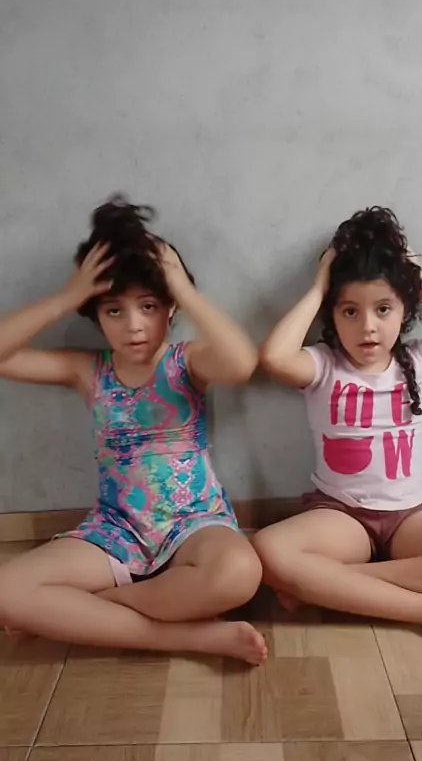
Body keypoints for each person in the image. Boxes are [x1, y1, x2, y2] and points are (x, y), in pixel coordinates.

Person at [0, 196, 266, 664]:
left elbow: (242, 363)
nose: (134, 326)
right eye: (114, 311)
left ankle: (88, 610)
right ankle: (191, 638)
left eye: (148, 306)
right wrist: (67, 296)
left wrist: (182, 288)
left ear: (169, 308)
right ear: (96, 314)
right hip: (116, 530)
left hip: (195, 524)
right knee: (7, 591)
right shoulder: (88, 371)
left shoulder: (187, 361)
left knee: (240, 572)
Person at [254, 206, 422, 653]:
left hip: (414, 518)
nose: (368, 327)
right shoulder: (323, 364)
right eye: (350, 311)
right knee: (267, 551)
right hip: (342, 517)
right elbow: (274, 358)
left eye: (383, 309)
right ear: (332, 314)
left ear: (405, 308)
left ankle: (337, 585)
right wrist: (318, 288)